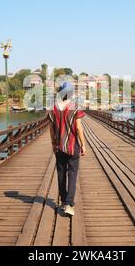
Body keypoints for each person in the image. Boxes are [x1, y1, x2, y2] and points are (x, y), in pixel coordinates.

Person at [48, 81, 86, 217]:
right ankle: (69, 204)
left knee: (61, 174)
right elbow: (78, 128)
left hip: (59, 147)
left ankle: (64, 202)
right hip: (72, 146)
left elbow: (51, 129)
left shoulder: (53, 109)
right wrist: (83, 144)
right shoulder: (74, 108)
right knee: (72, 174)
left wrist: (53, 144)